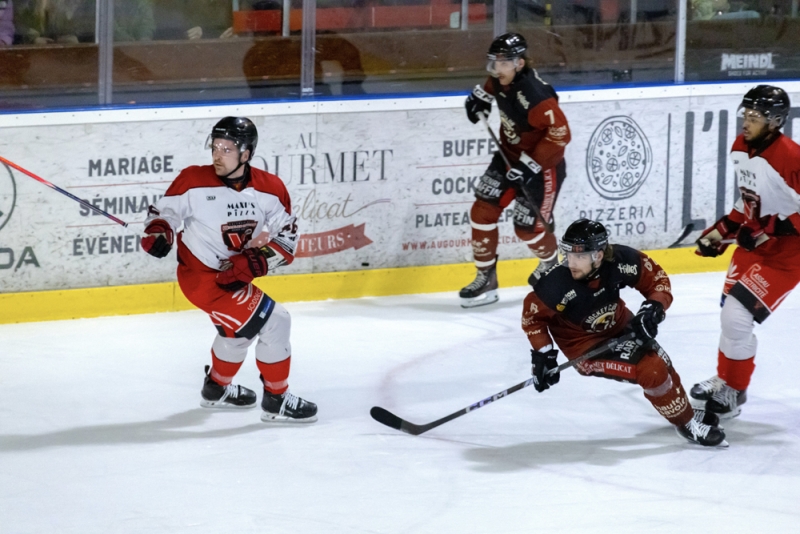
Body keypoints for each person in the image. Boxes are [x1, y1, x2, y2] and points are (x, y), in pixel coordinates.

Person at [142, 116, 317, 423]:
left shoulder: (270, 188)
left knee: (237, 335)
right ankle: (277, 400)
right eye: (215, 147)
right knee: (276, 321)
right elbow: (165, 214)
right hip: (201, 278)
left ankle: (217, 389)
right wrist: (159, 230)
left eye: (226, 149)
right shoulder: (193, 180)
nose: (217, 155)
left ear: (246, 153)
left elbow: (287, 238)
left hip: (233, 279)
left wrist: (257, 261)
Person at [522, 219, 727, 447]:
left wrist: (653, 308)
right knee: (652, 370)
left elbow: (657, 280)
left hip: (621, 325)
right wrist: (543, 354)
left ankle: (684, 411)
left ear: (598, 255)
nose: (572, 262)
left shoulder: (621, 261)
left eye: (580, 256)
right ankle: (687, 424)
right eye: (569, 254)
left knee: (662, 361)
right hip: (586, 349)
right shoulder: (555, 285)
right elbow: (533, 318)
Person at [690, 85, 800, 419]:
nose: (746, 122)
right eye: (746, 114)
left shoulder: (792, 158)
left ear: (775, 121)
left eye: (754, 117)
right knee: (731, 318)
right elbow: (749, 198)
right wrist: (721, 231)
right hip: (753, 246)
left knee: (737, 317)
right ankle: (725, 379)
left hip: (787, 255)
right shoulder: (741, 146)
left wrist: (768, 230)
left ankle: (735, 392)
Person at [459, 32, 571, 308]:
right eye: (494, 62)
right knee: (482, 211)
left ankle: (552, 267)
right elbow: (491, 86)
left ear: (519, 63)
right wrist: (480, 98)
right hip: (507, 157)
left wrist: (530, 165)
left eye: (503, 63)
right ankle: (486, 277)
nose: (497, 69)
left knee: (527, 230)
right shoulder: (501, 79)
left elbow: (561, 134)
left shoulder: (536, 96)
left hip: (542, 167)